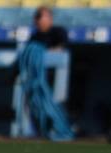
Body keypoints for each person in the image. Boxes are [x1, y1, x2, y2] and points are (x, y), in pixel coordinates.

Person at [17, 8, 74, 141]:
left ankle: (59, 129)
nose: (37, 20)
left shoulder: (58, 32)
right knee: (35, 104)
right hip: (36, 82)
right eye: (37, 17)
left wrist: (45, 54)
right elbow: (28, 56)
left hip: (56, 78)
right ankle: (38, 130)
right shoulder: (35, 36)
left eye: (41, 16)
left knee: (55, 106)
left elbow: (62, 49)